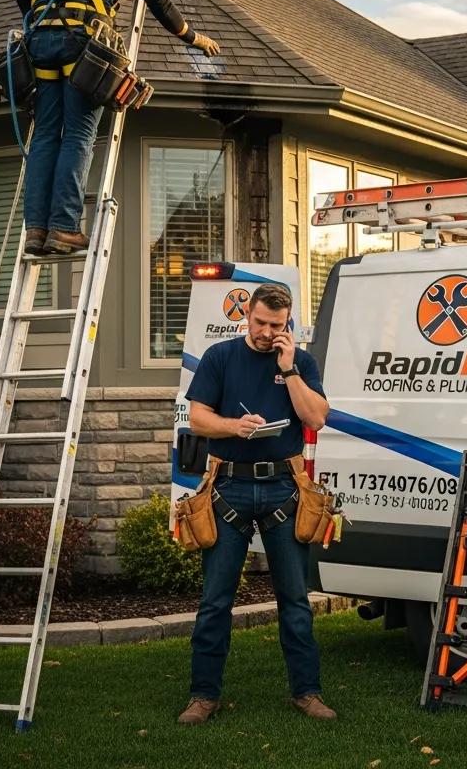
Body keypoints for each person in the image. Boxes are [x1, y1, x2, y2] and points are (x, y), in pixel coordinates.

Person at [15, 0, 221, 256]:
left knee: (46, 134)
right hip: (82, 45)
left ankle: (36, 230)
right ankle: (63, 228)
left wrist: (49, 23)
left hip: (40, 45)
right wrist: (193, 37)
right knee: (77, 134)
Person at [178, 282, 334, 726]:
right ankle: (203, 696)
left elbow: (316, 417)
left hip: (285, 489)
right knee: (215, 601)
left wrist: (288, 370)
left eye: (277, 326)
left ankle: (307, 692)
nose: (267, 333)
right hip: (229, 487)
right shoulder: (221, 357)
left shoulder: (299, 362)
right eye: (261, 322)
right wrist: (234, 426)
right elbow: (198, 416)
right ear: (247, 314)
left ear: (289, 324)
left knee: (295, 600)